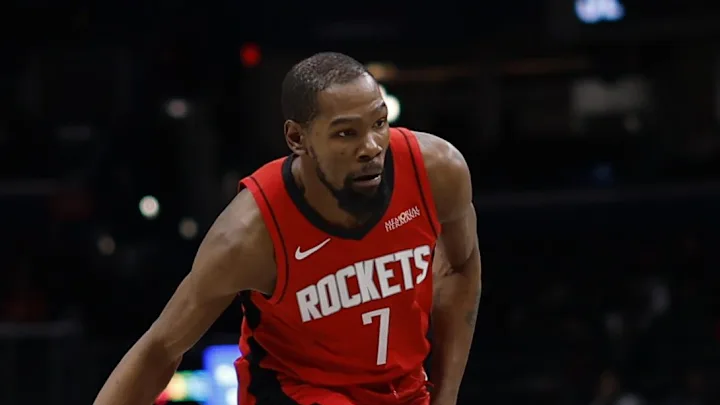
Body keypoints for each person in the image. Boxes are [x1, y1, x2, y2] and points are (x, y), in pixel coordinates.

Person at [93, 52, 481, 405]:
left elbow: (461, 266)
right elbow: (161, 348)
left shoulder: (437, 171)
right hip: (296, 393)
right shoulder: (249, 235)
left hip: (405, 391)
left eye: (379, 123)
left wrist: (445, 395)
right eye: (346, 133)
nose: (371, 147)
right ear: (297, 138)